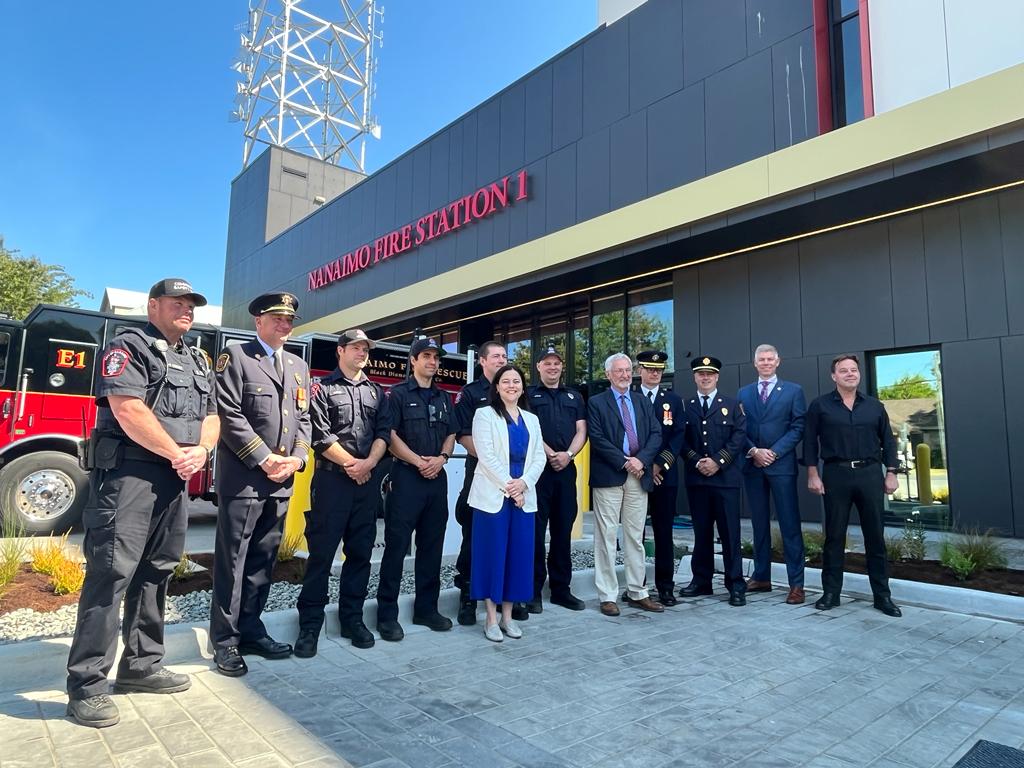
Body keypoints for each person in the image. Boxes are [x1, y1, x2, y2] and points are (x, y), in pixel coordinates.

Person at [66, 278, 218, 728]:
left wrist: (202, 450)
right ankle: (87, 685)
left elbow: (212, 414)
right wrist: (178, 454)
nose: (187, 310)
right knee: (111, 573)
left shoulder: (197, 358)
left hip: (174, 477)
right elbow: (128, 408)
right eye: (177, 303)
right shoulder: (129, 346)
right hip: (129, 475)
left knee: (158, 570)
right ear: (153, 306)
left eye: (191, 305)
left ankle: (141, 666)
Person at [210, 292, 312, 676]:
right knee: (233, 563)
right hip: (245, 480)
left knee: (262, 562)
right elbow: (228, 414)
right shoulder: (236, 356)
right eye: (277, 318)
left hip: (281, 481)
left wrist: (297, 459)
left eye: (289, 320)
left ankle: (251, 630)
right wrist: (264, 458)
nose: (285, 325)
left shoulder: (298, 365)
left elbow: (304, 420)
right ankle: (225, 641)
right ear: (259, 321)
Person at [295, 329, 390, 655]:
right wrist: (354, 465)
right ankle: (310, 626)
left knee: (360, 554)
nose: (362, 353)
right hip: (332, 483)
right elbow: (319, 436)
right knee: (321, 556)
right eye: (356, 347)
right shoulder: (321, 388)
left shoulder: (377, 392)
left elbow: (383, 433)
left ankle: (352, 620)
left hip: (365, 486)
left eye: (366, 349)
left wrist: (369, 464)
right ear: (341, 351)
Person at [804, 354, 902, 617]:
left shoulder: (874, 406)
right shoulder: (820, 406)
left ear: (859, 374)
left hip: (870, 474)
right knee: (834, 536)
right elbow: (810, 441)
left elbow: (888, 441)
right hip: (836, 474)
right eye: (843, 370)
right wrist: (812, 474)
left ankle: (882, 596)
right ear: (833, 376)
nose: (850, 374)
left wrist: (892, 472)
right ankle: (831, 593)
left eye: (854, 370)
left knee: (875, 537)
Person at [376, 336, 456, 641]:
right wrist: (418, 461)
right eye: (426, 356)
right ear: (413, 360)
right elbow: (390, 434)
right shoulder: (397, 394)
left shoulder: (444, 397)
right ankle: (387, 616)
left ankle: (426, 609)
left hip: (436, 479)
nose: (432, 362)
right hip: (406, 477)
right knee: (396, 548)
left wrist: (442, 458)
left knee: (431, 547)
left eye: (436, 357)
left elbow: (452, 432)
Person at [467, 365, 547, 641]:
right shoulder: (484, 415)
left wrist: (524, 483)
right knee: (493, 555)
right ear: (497, 387)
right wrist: (512, 488)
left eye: (516, 381)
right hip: (494, 497)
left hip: (524, 496)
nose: (511, 385)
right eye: (506, 381)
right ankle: (490, 618)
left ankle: (508, 617)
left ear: (523, 387)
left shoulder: (532, 419)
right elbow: (486, 456)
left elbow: (539, 457)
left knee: (518, 556)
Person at [587, 353, 664, 616]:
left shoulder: (642, 401)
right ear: (608, 374)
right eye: (618, 370)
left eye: (628, 370)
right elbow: (597, 437)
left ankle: (637, 592)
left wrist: (641, 460)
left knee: (635, 536)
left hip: (638, 475)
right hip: (610, 475)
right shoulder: (596, 402)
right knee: (606, 537)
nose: (624, 375)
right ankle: (608, 595)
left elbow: (656, 434)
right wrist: (624, 461)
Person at [738, 344, 807, 604]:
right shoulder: (744, 393)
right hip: (753, 466)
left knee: (789, 525)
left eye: (770, 359)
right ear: (754, 363)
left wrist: (774, 452)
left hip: (781, 467)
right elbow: (740, 428)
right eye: (762, 359)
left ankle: (796, 584)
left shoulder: (793, 391)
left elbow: (798, 427)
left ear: (778, 361)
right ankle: (761, 576)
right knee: (759, 524)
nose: (766, 363)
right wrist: (754, 451)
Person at [452, 341, 515, 626]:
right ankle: (467, 596)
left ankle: (504, 597)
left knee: (506, 537)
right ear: (482, 361)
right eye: (496, 356)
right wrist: (494, 463)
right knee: (473, 536)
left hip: (511, 479)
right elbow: (464, 436)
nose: (502, 360)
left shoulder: (513, 391)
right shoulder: (470, 393)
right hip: (480, 474)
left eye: (505, 356)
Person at [679, 356, 748, 606]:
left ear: (717, 377)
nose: (705, 377)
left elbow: (739, 437)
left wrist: (718, 461)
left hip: (726, 480)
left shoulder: (733, 404)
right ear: (695, 377)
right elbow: (680, 439)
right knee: (702, 533)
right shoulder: (685, 406)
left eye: (710, 374)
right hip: (698, 480)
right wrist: (698, 461)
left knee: (730, 534)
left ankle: (735, 584)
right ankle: (701, 581)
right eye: (701, 374)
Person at [525, 342, 587, 613]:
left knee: (563, 531)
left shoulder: (575, 396)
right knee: (536, 533)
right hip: (539, 473)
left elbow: (581, 430)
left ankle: (561, 590)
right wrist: (552, 454)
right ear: (538, 367)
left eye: (557, 363)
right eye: (547, 363)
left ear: (562, 367)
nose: (553, 367)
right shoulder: (528, 395)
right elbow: (528, 429)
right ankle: (533, 591)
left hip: (566, 471)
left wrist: (568, 455)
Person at [633, 350, 686, 606]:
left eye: (658, 369)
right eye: (649, 368)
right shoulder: (630, 397)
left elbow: (677, 436)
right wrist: (644, 466)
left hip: (664, 476)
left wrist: (659, 466)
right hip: (636, 474)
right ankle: (637, 586)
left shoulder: (673, 400)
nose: (654, 373)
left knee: (664, 533)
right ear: (640, 370)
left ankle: (665, 587)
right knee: (635, 534)